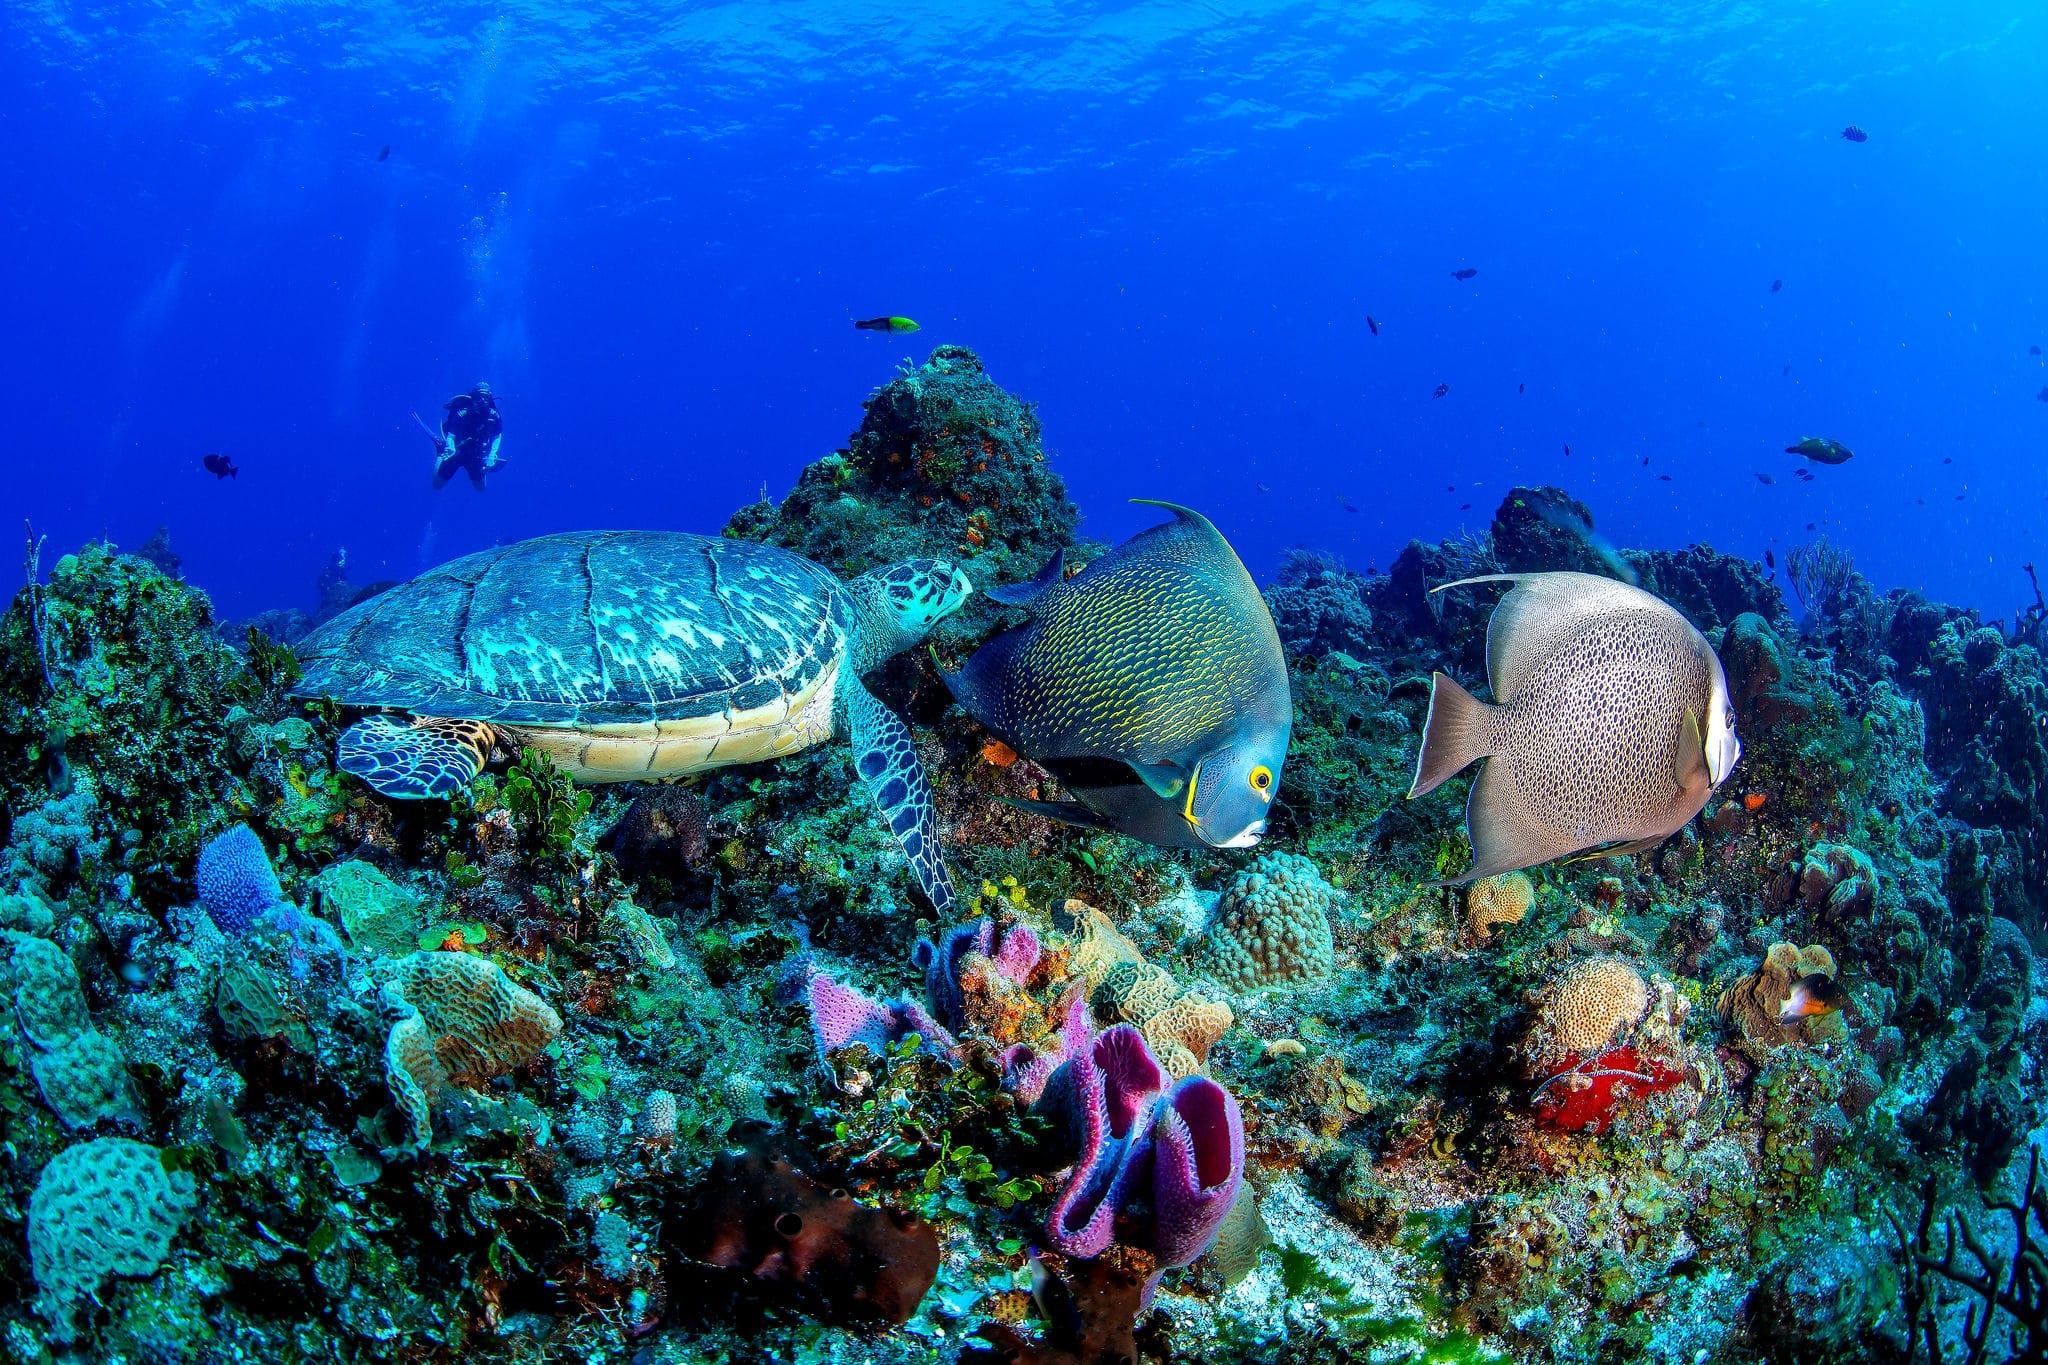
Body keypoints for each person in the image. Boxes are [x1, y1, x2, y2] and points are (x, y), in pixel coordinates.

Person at [432, 382, 503, 491]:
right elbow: (451, 436)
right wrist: (450, 446)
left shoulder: (493, 415)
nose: (483, 399)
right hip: (456, 452)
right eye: (480, 396)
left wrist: (492, 454)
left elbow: (497, 435)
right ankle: (440, 452)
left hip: (475, 455)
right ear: (474, 397)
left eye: (486, 396)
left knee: (481, 488)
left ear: (490, 398)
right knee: (437, 485)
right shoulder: (463, 413)